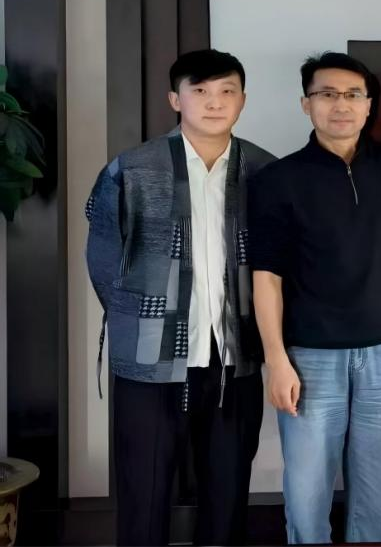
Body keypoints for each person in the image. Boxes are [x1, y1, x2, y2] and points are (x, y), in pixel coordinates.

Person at [249, 52, 381, 544]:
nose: (340, 105)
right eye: (327, 94)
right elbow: (267, 277)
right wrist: (276, 360)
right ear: (306, 104)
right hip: (310, 356)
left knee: (378, 481)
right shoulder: (278, 180)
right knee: (308, 485)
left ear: (369, 106)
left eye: (352, 95)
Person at [85, 49, 274, 545]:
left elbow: (281, 265)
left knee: (228, 492)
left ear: (243, 100)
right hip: (149, 359)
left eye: (227, 91)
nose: (215, 102)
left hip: (235, 357)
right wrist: (141, 322)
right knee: (144, 493)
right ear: (175, 99)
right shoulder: (132, 169)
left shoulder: (265, 171)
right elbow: (103, 259)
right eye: (200, 90)